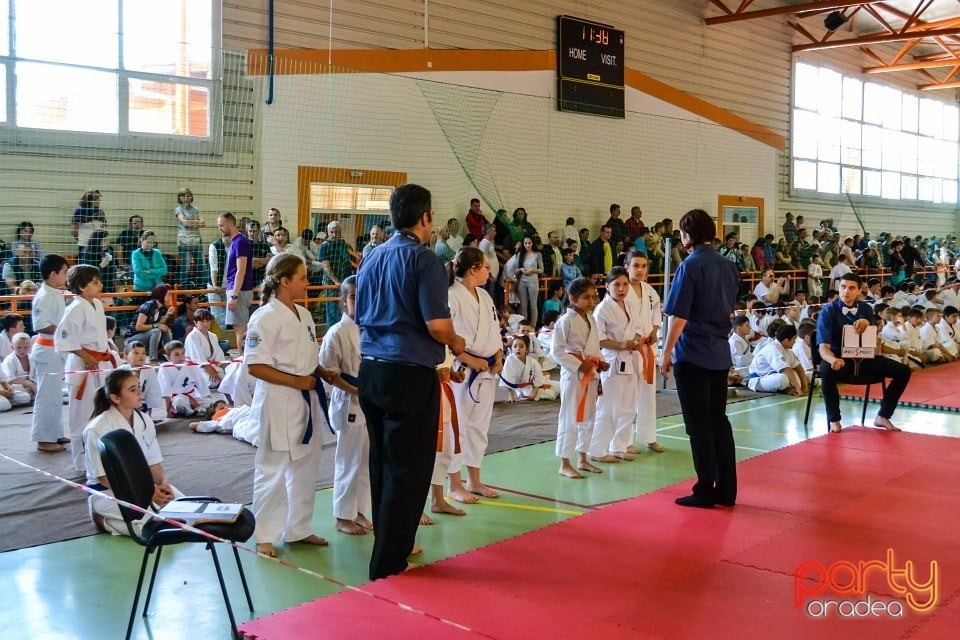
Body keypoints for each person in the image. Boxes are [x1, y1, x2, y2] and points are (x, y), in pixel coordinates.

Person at [355, 183, 466, 579]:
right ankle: (389, 560)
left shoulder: (370, 257)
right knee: (410, 469)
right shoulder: (424, 260)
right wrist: (457, 341)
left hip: (371, 369)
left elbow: (355, 313)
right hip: (408, 373)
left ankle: (389, 545)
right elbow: (437, 326)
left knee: (383, 463)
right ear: (425, 218)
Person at [245, 253, 347, 558]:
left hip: (307, 398)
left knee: (305, 465)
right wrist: (296, 382)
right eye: (302, 277)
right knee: (273, 468)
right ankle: (264, 534)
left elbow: (305, 359)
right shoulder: (264, 317)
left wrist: (319, 372)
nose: (307, 282)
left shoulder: (302, 315)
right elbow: (255, 366)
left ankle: (299, 528)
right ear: (285, 281)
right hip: (278, 399)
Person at [661, 209, 740, 509]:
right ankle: (727, 489)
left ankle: (705, 488)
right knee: (718, 421)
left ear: (688, 236)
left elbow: (679, 316)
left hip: (692, 353)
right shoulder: (728, 266)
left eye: (682, 233)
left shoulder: (690, 266)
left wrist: (666, 351)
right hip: (719, 352)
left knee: (698, 424)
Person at [83, 369, 180, 535]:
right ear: (115, 398)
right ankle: (103, 521)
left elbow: (153, 462)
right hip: (108, 492)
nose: (140, 393)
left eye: (139, 387)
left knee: (185, 509)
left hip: (145, 486)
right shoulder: (96, 428)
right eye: (132, 390)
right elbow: (104, 478)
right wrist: (147, 492)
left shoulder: (144, 419)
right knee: (154, 526)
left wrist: (163, 484)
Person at [816, 272, 912, 434]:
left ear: (859, 291)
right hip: (840, 358)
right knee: (826, 369)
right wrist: (832, 360)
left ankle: (883, 415)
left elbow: (874, 339)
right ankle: (834, 419)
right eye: (843, 287)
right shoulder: (828, 312)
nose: (846, 291)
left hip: (864, 358)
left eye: (851, 288)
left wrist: (867, 323)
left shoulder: (866, 309)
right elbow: (822, 347)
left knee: (903, 371)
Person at [446, 247, 503, 503]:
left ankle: (475, 480)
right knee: (457, 428)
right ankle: (454, 484)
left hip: (487, 370)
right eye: (486, 267)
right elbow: (447, 337)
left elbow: (494, 330)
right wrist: (470, 359)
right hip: (462, 370)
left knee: (480, 426)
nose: (488, 271)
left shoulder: (485, 296)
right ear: (473, 270)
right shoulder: (450, 296)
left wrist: (499, 355)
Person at [318, 276, 372, 536]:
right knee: (348, 461)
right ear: (343, 301)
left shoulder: (370, 327)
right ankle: (342, 516)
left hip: (371, 402)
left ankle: (360, 511)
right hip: (349, 402)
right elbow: (329, 373)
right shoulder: (336, 333)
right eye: (353, 297)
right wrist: (356, 390)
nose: (359, 302)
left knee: (366, 462)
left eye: (363, 296)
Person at [56, 265, 120, 472]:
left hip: (100, 364)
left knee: (103, 410)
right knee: (82, 415)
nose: (100, 285)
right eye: (95, 282)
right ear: (82, 286)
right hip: (83, 365)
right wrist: (85, 356)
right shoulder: (74, 308)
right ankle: (82, 464)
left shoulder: (96, 304)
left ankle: (101, 457)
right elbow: (63, 338)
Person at [551, 278, 608, 478]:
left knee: (589, 416)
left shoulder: (591, 319)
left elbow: (594, 347)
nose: (591, 301)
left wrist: (599, 361)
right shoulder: (565, 322)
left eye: (593, 297)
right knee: (569, 417)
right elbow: (556, 352)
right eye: (585, 298)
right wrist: (579, 364)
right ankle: (564, 463)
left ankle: (583, 458)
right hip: (573, 375)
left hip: (591, 373)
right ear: (572, 298)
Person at [591, 267, 640, 463]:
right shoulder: (602, 310)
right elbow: (599, 340)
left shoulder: (629, 304)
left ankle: (619, 446)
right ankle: (597, 449)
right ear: (607, 286)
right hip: (611, 362)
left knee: (628, 406)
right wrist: (621, 344)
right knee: (608, 407)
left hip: (630, 359)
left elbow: (636, 328)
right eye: (616, 285)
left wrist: (635, 339)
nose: (621, 289)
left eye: (625, 284)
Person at [624, 249, 664, 454]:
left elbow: (657, 313)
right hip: (629, 350)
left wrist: (656, 329)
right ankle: (625, 441)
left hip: (648, 348)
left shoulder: (649, 291)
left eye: (643, 266)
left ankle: (649, 437)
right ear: (626, 267)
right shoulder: (620, 290)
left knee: (648, 395)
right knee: (628, 396)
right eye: (636, 266)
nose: (640, 270)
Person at [30, 254, 69, 453]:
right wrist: (66, 330)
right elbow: (41, 326)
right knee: (46, 396)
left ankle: (54, 433)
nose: (66, 276)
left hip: (55, 349)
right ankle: (44, 440)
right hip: (46, 350)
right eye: (64, 272)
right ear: (53, 274)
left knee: (55, 395)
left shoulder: (55, 292)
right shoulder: (44, 295)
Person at [219, 212, 254, 351]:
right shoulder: (235, 242)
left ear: (230, 224)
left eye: (221, 225)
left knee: (240, 329)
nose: (219, 228)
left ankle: (242, 359)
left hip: (239, 290)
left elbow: (241, 270)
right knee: (239, 327)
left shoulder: (240, 242)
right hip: (237, 289)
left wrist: (234, 295)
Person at [747, 324, 808, 395]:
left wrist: (804, 387)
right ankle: (785, 389)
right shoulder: (773, 348)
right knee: (783, 379)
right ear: (786, 340)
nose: (795, 342)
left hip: (773, 376)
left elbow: (799, 367)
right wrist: (798, 388)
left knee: (798, 376)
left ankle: (787, 389)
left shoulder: (788, 351)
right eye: (794, 339)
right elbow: (786, 369)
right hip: (758, 379)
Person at [158, 341, 209, 416]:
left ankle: (196, 409)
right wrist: (168, 411)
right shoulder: (164, 368)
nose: (181, 357)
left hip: (193, 396)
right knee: (180, 402)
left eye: (183, 353)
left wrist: (208, 398)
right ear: (168, 358)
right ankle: (192, 411)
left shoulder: (191, 365)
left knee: (210, 403)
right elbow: (166, 390)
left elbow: (201, 384)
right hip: (177, 398)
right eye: (176, 354)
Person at [318, 220, 355, 327]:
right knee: (332, 310)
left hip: (346, 283)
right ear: (328, 232)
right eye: (332, 232)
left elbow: (352, 263)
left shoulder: (346, 246)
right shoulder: (324, 246)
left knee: (346, 308)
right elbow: (326, 266)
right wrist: (336, 281)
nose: (335, 235)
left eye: (337, 232)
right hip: (331, 284)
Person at [124, 284, 172, 363]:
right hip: (132, 337)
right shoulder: (148, 305)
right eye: (168, 295)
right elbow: (138, 327)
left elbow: (160, 325)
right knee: (156, 331)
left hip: (147, 335)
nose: (170, 297)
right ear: (161, 295)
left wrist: (167, 315)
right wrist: (156, 326)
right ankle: (153, 359)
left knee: (165, 329)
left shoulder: (163, 308)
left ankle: (170, 355)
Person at [184, 308, 226, 389]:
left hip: (212, 365)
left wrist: (225, 367)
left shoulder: (213, 336)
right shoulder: (192, 336)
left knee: (226, 378)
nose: (205, 324)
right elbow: (197, 358)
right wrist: (210, 370)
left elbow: (219, 354)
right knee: (213, 382)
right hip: (197, 367)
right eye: (202, 321)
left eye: (207, 321)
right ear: (195, 322)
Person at [123, 341, 163, 419]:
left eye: (144, 353)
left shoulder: (150, 370)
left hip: (142, 405)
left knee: (144, 419)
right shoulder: (121, 371)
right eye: (136, 353)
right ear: (126, 357)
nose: (141, 356)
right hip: (126, 405)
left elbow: (152, 393)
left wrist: (149, 417)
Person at [174, 187, 206, 286]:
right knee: (185, 267)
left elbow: (203, 223)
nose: (186, 198)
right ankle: (183, 287)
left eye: (188, 196)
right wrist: (196, 222)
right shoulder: (178, 209)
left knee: (201, 266)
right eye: (183, 196)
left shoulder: (196, 209)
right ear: (180, 198)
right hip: (184, 242)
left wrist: (190, 222)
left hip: (196, 240)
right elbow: (184, 222)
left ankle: (202, 286)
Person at [516, 236, 543, 329]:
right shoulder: (521, 254)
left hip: (533, 281)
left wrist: (533, 270)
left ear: (533, 243)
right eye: (525, 243)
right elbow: (515, 270)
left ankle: (533, 327)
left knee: (533, 305)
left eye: (529, 243)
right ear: (523, 244)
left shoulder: (537, 254)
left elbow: (541, 270)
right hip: (522, 280)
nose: (527, 245)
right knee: (523, 306)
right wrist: (521, 269)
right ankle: (524, 327)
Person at [78, 229, 117, 294]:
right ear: (96, 241)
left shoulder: (110, 250)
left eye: (108, 240)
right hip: (93, 287)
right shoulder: (88, 254)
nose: (107, 243)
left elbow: (112, 270)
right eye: (104, 241)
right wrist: (101, 266)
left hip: (108, 286)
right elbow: (86, 274)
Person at [207, 231, 229, 326]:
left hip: (228, 286)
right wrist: (215, 286)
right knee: (216, 317)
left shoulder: (235, 246)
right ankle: (217, 339)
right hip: (215, 284)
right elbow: (213, 267)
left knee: (227, 317)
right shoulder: (215, 246)